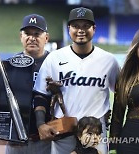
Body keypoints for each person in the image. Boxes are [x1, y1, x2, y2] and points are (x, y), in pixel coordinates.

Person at [33, 7, 120, 154]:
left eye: (86, 26)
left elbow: (120, 94)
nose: (81, 30)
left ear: (94, 28)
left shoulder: (109, 61)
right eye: (76, 26)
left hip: (94, 133)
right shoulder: (55, 58)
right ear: (69, 29)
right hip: (62, 130)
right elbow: (40, 94)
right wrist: (40, 124)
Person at [5, 14, 52, 154]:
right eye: (27, 33)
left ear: (46, 38)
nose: (32, 38)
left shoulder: (56, 63)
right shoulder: (10, 65)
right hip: (16, 141)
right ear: (21, 37)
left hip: (46, 141)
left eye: (37, 33)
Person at [110, 26, 139, 154]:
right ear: (135, 48)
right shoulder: (125, 78)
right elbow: (117, 117)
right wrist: (113, 148)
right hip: (131, 141)